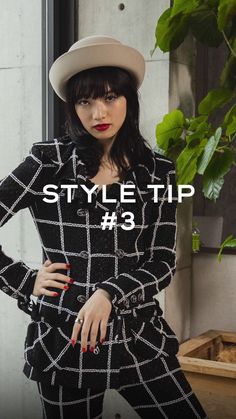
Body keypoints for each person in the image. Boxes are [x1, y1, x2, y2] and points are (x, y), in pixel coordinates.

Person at [0, 35, 208, 419]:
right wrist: (23, 280)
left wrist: (110, 293)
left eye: (110, 97)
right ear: (73, 107)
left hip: (137, 334)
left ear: (128, 99)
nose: (98, 113)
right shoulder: (48, 163)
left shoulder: (159, 172)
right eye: (85, 101)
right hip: (67, 334)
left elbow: (162, 260)